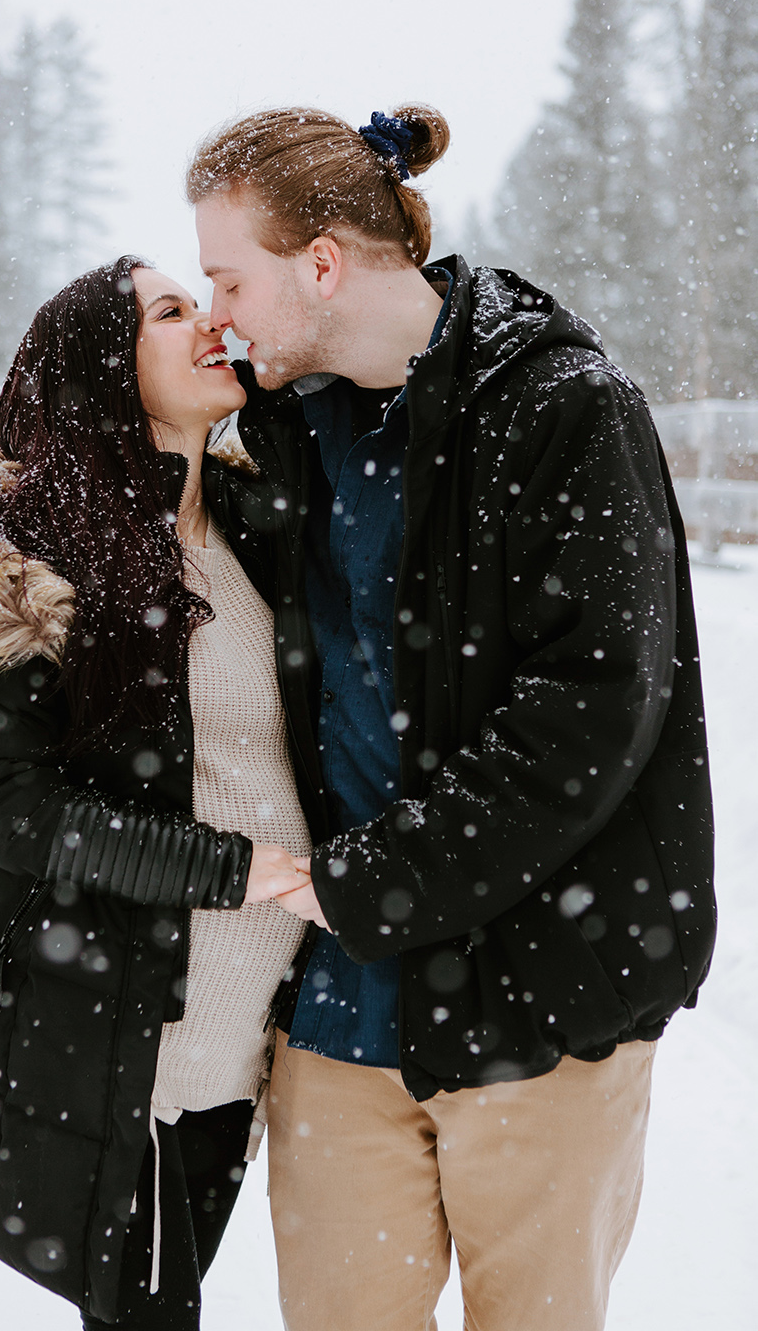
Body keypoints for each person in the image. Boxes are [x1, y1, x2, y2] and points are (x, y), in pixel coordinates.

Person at [187, 105, 717, 1331]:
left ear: (322, 262)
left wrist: (372, 879)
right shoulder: (278, 435)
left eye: (229, 275)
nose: (219, 309)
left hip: (544, 1002)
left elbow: (588, 711)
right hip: (338, 1015)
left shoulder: (563, 408)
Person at [0, 255, 323, 1330]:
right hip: (119, 1055)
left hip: (240, 1054)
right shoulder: (32, 552)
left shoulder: (248, 528)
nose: (206, 321)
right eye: (170, 312)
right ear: (104, 367)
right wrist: (225, 867)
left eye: (205, 301)